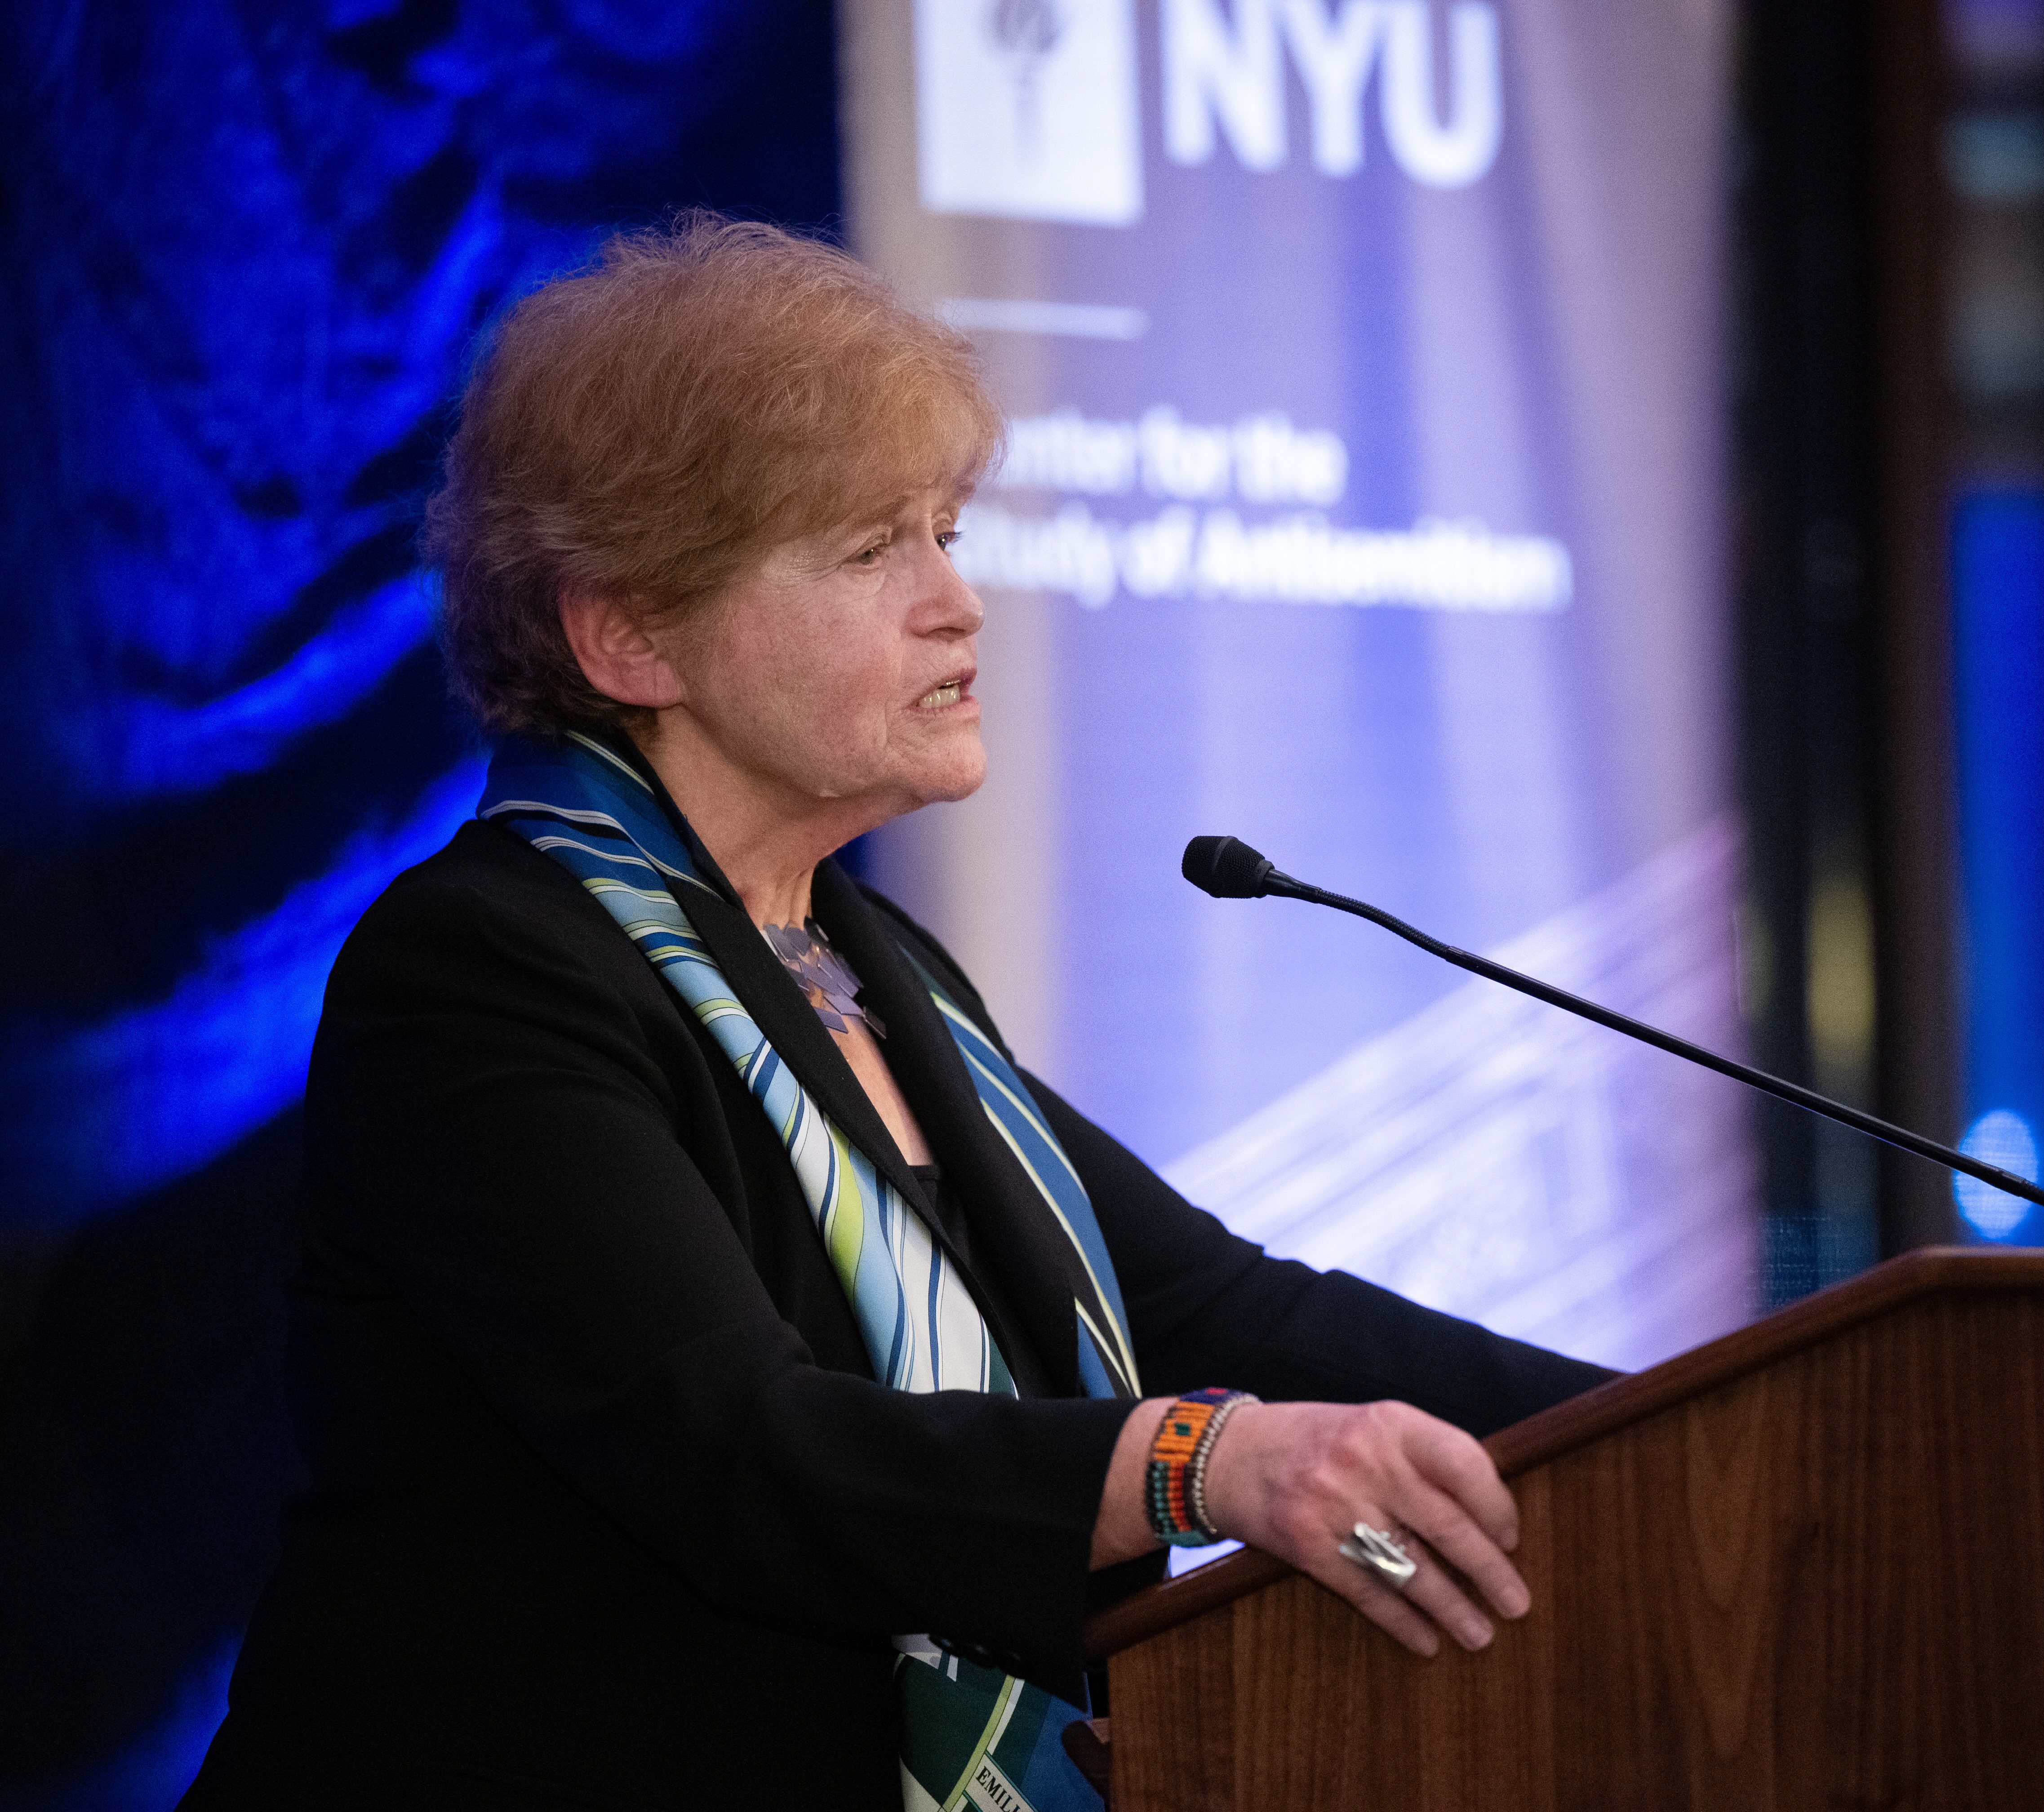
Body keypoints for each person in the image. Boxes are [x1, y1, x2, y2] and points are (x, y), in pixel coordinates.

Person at [179, 215, 1611, 1810]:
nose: (958, 603)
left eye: (946, 529)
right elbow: (743, 1453)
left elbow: (1240, 1309)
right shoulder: (484, 972)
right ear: (627, 633)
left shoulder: (872, 960)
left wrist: (1679, 1421)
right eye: (873, 550)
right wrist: (1207, 1459)